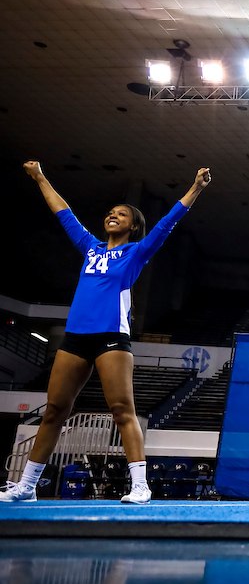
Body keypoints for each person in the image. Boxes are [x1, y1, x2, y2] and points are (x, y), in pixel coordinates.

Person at [3, 163, 212, 505]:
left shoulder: (136, 252)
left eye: (122, 214)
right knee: (55, 409)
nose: (113, 215)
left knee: (122, 409)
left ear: (134, 226)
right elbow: (64, 213)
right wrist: (40, 177)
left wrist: (196, 188)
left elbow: (168, 222)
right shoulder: (91, 248)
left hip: (111, 337)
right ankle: (27, 486)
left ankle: (141, 486)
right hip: (75, 337)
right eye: (111, 212)